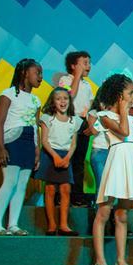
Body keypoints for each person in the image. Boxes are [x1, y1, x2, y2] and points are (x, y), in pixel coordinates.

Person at [92, 73, 133, 265]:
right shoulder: (104, 116)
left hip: (129, 162)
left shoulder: (129, 117)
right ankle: (100, 261)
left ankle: (121, 261)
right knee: (104, 212)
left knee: (122, 215)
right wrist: (122, 109)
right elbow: (122, 132)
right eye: (130, 93)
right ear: (118, 95)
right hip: (115, 162)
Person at [0, 59, 43, 236]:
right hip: (13, 141)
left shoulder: (36, 100)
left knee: (22, 185)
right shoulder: (8, 94)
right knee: (10, 181)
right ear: (24, 73)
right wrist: (1, 148)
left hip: (29, 142)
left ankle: (13, 224)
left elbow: (36, 127)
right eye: (37, 72)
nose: (40, 77)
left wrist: (37, 150)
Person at [36, 87, 80, 236]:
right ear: (53, 102)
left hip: (66, 155)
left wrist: (67, 158)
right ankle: (51, 225)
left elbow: (73, 144)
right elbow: (45, 141)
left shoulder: (75, 121)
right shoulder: (48, 118)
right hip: (50, 154)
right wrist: (55, 157)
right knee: (49, 189)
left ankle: (63, 224)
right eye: (58, 98)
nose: (62, 101)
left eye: (65, 98)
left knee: (65, 189)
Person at [57, 51, 93, 206]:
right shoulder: (65, 79)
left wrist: (90, 124)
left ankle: (77, 196)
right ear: (73, 66)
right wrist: (77, 76)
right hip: (69, 122)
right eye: (84, 63)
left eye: (89, 63)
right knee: (67, 159)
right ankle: (61, 196)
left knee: (79, 161)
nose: (88, 66)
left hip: (83, 123)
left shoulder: (87, 85)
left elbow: (91, 107)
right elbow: (68, 97)